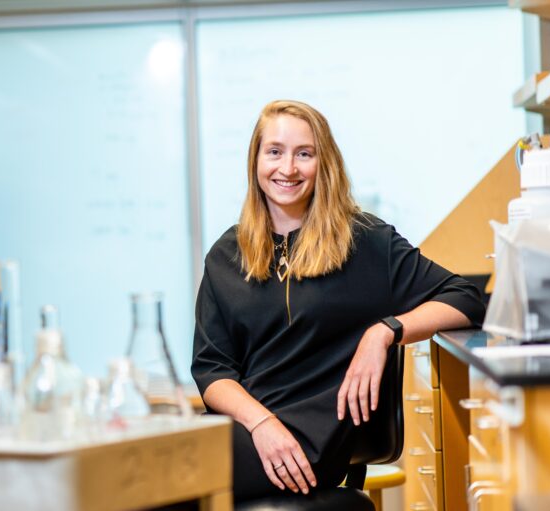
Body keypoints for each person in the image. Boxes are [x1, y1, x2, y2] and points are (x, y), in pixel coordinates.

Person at [191, 99, 485, 502]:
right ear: (255, 160)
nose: (288, 168)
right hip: (250, 430)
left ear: (323, 162)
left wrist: (385, 332)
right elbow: (212, 370)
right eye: (274, 151)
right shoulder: (226, 254)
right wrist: (261, 425)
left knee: (161, 482)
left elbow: (466, 297)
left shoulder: (364, 241)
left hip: (308, 445)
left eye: (304, 154)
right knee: (149, 467)